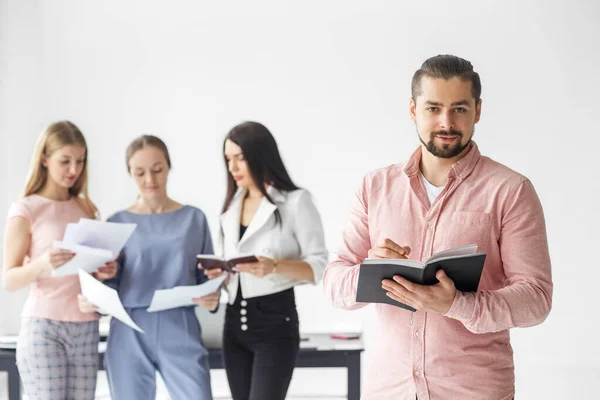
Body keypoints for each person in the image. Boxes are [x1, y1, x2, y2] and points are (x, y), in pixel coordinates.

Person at [323, 55, 552, 400]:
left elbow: (536, 298)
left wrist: (456, 304)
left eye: (459, 109)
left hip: (473, 391)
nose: (446, 122)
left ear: (478, 110)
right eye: (433, 109)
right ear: (414, 110)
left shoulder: (511, 190)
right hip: (389, 389)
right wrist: (369, 272)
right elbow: (333, 283)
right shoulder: (374, 187)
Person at [78, 135, 217, 400]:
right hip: (128, 327)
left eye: (157, 170)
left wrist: (213, 294)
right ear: (130, 173)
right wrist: (103, 278)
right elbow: (108, 284)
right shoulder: (116, 221)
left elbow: (206, 277)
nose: (150, 180)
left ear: (169, 167)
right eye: (139, 173)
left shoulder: (194, 218)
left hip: (180, 324)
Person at [202, 121, 328, 400]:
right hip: (233, 325)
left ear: (260, 155)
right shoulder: (230, 205)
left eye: (240, 158)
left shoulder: (296, 202)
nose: (232, 167)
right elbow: (232, 269)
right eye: (228, 159)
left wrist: (274, 266)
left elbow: (320, 267)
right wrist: (217, 281)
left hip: (275, 325)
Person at [2, 120, 116, 399]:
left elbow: (88, 274)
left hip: (87, 326)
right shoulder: (26, 209)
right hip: (44, 326)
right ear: (44, 159)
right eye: (65, 161)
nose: (74, 170)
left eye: (79, 161)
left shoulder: (87, 208)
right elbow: (8, 279)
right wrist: (43, 264)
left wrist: (105, 271)